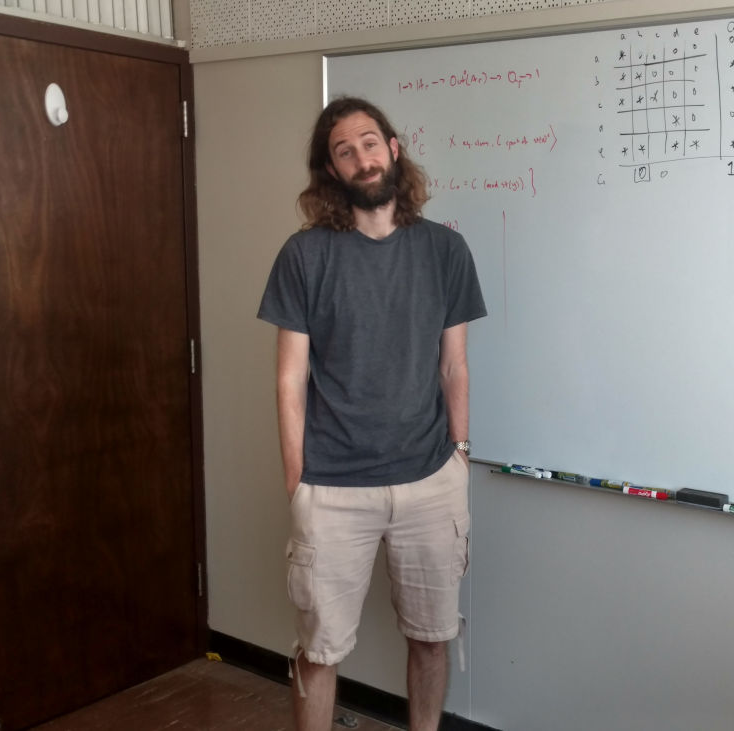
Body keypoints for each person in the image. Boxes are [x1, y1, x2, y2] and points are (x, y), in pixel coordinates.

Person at [257, 96, 486, 731]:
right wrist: (297, 482)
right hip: (331, 487)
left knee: (433, 637)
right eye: (343, 149)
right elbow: (288, 380)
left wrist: (459, 455)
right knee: (320, 650)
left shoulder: (446, 250)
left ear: (393, 148)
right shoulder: (304, 257)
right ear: (330, 170)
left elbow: (454, 367)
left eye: (368, 142)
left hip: (430, 480)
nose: (361, 157)